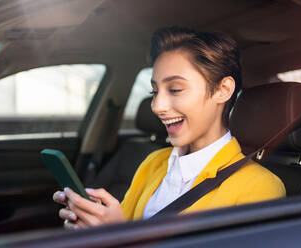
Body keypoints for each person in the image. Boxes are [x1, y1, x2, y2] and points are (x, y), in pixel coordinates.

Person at [53, 26, 286, 228]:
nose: (157, 106)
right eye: (154, 92)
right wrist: (93, 226)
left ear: (222, 90)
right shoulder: (153, 162)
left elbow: (122, 232)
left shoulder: (260, 188)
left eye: (175, 89)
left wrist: (120, 235)